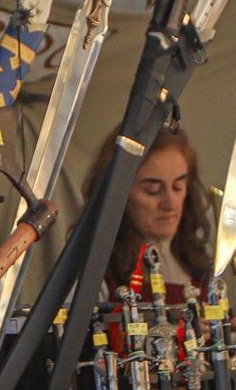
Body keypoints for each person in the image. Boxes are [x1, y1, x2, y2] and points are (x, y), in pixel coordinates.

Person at [82, 120, 214, 292]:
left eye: (178, 187)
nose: (170, 203)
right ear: (119, 194)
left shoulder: (197, 266)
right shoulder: (96, 275)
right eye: (153, 190)